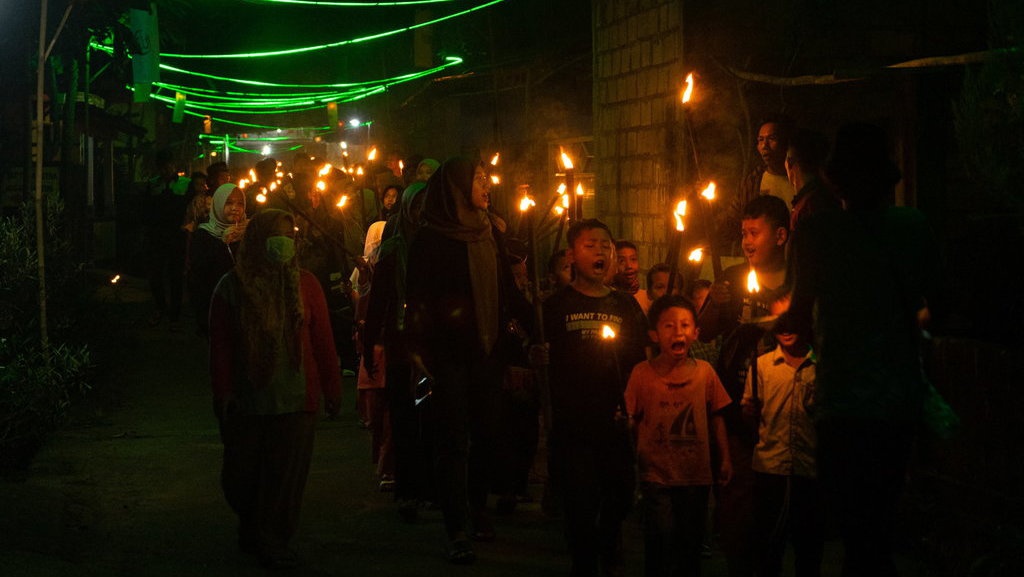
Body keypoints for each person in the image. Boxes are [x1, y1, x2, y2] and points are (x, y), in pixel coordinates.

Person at [789, 122, 942, 577]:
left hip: (841, 401)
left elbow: (796, 316)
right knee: (879, 524)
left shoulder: (818, 233)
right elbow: (943, 302)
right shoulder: (912, 227)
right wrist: (904, 324)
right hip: (896, 400)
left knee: (854, 528)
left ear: (835, 178)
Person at [405, 156, 526, 564]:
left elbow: (507, 290)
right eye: (478, 179)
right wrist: (418, 348)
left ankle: (477, 507)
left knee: (487, 434)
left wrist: (540, 328)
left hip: (488, 354)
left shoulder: (490, 233)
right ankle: (457, 525)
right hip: (449, 356)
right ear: (457, 188)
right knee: (453, 440)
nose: (487, 186)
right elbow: (418, 299)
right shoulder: (431, 239)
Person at [208, 209, 341, 570]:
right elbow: (220, 346)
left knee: (285, 479)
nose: (283, 242)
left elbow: (323, 342)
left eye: (289, 234)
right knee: (242, 475)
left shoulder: (307, 285)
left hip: (296, 400)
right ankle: (253, 527)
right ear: (257, 240)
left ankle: (274, 538)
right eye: (275, 234)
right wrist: (224, 393)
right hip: (249, 400)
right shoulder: (232, 287)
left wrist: (332, 389)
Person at [542, 218, 650, 577]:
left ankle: (609, 537)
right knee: (580, 498)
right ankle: (585, 561)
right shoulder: (555, 306)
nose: (601, 251)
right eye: (591, 245)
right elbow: (540, 356)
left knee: (620, 491)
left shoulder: (626, 307)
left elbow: (639, 361)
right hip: (573, 420)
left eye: (606, 246)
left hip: (615, 418)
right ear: (572, 255)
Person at [700, 194, 792, 577]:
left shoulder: (798, 280)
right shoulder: (734, 279)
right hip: (737, 408)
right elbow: (704, 330)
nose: (747, 241)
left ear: (781, 235)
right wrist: (716, 305)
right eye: (743, 233)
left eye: (755, 232)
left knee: (780, 504)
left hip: (784, 407)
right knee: (737, 498)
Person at [625, 294, 733, 577]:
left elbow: (717, 415)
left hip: (695, 475)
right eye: (669, 326)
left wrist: (725, 459)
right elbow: (631, 418)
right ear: (654, 334)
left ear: (696, 333)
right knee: (660, 538)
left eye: (685, 325)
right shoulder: (641, 373)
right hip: (656, 474)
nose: (678, 331)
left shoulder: (705, 373)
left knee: (690, 542)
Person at [740, 313, 824, 577]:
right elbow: (750, 415)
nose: (786, 330)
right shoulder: (762, 364)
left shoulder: (820, 366)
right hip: (770, 466)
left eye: (792, 324)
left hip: (809, 467)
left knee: (808, 544)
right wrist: (749, 411)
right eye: (780, 325)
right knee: (768, 543)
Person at [723, 116, 796, 254]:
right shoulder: (752, 182)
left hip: (795, 259)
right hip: (761, 261)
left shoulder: (799, 180)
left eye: (771, 139)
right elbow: (733, 219)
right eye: (760, 140)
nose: (764, 146)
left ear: (785, 143)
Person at [187, 183, 247, 337]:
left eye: (240, 203)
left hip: (243, 306)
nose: (235, 208)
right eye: (229, 202)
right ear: (218, 204)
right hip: (215, 303)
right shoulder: (204, 234)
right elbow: (200, 272)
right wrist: (223, 244)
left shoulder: (247, 232)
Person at [143, 149, 190, 330]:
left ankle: (175, 314)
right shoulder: (153, 185)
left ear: (174, 165)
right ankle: (161, 307)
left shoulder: (186, 184)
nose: (166, 169)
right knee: (156, 274)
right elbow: (146, 210)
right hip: (157, 237)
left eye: (169, 165)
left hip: (178, 236)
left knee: (175, 275)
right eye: (163, 167)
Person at [613, 240, 651, 312]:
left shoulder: (646, 298)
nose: (629, 266)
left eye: (633, 259)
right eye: (621, 261)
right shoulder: (609, 298)